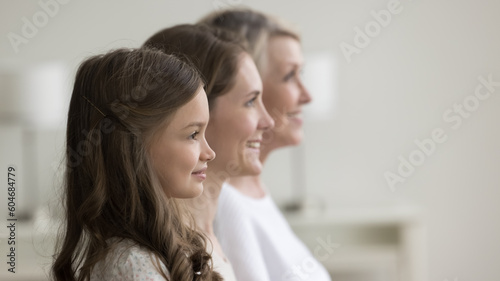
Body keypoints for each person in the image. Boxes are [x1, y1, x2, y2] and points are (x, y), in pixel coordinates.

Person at [51, 47, 223, 281]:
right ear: (134, 148)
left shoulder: (147, 254)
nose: (210, 153)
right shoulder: (133, 266)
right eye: (193, 134)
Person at [200, 9, 332, 281]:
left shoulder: (254, 194)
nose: (307, 95)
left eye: (301, 74)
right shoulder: (224, 207)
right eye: (289, 76)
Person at [144, 24, 274, 281]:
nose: (268, 121)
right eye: (250, 101)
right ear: (198, 110)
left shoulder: (213, 232)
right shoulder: (155, 255)